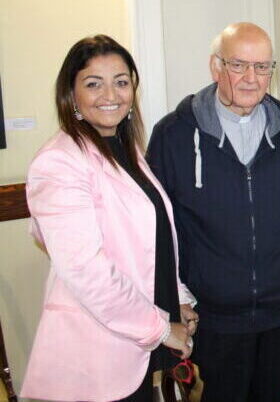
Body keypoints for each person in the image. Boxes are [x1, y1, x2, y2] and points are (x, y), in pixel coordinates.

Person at [21, 34, 197, 402]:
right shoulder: (59, 163)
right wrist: (162, 330)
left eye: (121, 82)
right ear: (71, 96)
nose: (110, 95)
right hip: (97, 357)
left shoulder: (124, 146)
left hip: (130, 345)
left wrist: (177, 297)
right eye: (93, 84)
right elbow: (88, 270)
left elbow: (150, 239)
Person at [147, 22, 280, 401]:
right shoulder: (172, 135)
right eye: (239, 65)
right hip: (214, 316)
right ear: (215, 67)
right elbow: (158, 226)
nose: (252, 78)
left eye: (263, 67)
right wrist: (179, 295)